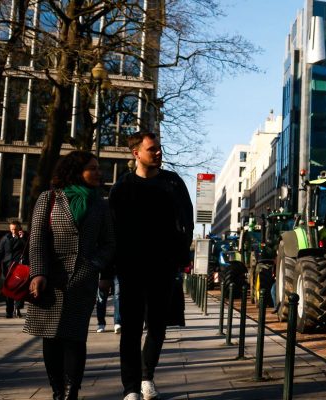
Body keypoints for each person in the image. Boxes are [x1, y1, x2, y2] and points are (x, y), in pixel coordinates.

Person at [25, 151, 115, 400]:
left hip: (82, 280)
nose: (99, 173)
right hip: (50, 279)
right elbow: (37, 238)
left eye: (99, 168)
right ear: (76, 171)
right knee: (51, 337)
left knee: (75, 338)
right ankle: (57, 391)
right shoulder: (50, 198)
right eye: (93, 168)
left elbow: (109, 243)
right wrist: (38, 272)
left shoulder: (100, 204)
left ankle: (72, 392)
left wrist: (93, 265)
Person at [110, 132, 193, 400]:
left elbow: (188, 222)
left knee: (158, 325)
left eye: (159, 148)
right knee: (131, 329)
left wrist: (180, 257)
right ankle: (130, 388)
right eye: (152, 149)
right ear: (136, 153)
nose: (158, 153)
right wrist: (112, 267)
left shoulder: (173, 183)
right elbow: (112, 229)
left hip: (164, 267)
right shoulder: (122, 186)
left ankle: (147, 377)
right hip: (131, 267)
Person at [0, 220, 27, 317]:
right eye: (12, 229)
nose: (13, 231)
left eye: (15, 229)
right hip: (7, 267)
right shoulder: (5, 238)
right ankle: (9, 311)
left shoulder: (24, 238)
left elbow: (27, 249)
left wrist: (22, 238)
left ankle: (17, 308)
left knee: (20, 288)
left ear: (19, 229)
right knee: (8, 289)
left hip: (19, 267)